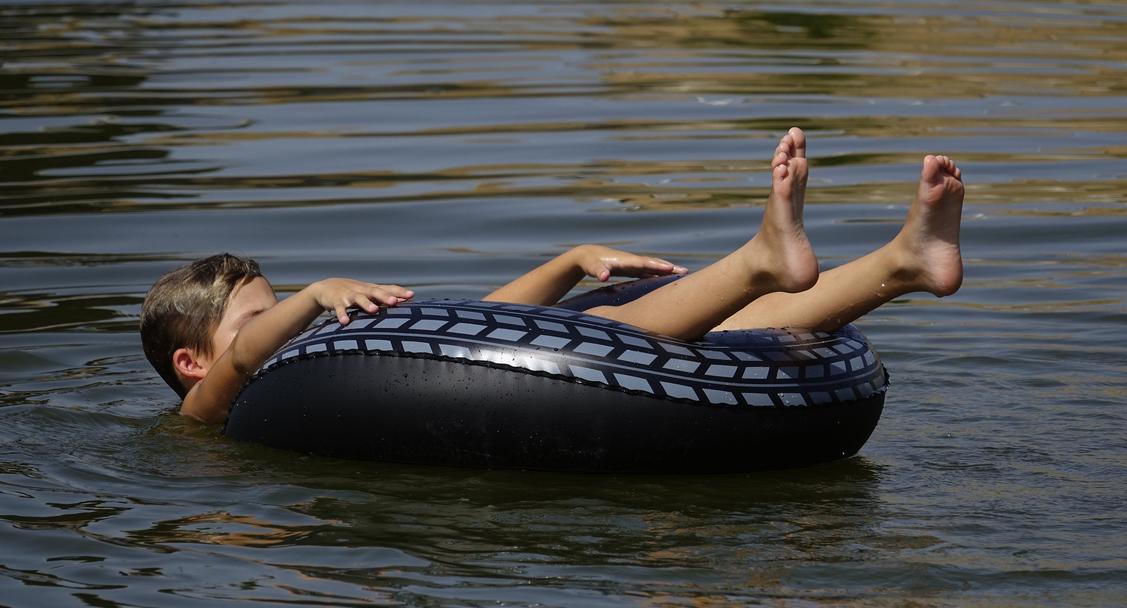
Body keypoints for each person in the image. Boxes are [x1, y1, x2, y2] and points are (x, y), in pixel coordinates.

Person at [140, 128, 964, 424]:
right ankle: (759, 261)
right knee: (608, 341)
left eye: (281, 310)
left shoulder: (311, 369)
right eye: (260, 316)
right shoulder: (209, 415)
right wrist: (317, 293)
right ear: (192, 363)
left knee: (661, 333)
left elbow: (482, 322)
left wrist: (568, 263)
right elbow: (245, 362)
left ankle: (900, 264)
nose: (284, 327)